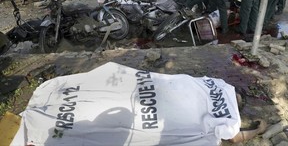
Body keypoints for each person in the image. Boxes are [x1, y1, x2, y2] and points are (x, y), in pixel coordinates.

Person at [10, 62, 268, 146]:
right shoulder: (229, 116)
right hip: (158, 102)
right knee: (112, 118)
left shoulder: (218, 83)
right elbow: (234, 138)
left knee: (109, 100)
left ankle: (54, 113)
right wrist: (257, 130)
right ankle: (50, 123)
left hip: (155, 93)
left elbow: (181, 80)